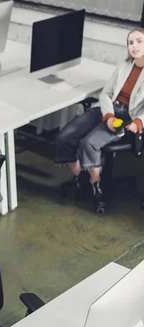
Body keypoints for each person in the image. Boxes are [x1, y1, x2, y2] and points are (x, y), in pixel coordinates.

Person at [55, 28, 144, 210]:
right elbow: (106, 93)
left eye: (139, 41)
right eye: (131, 42)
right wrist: (108, 115)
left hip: (128, 118)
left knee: (89, 143)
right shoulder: (123, 65)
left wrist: (139, 122)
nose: (134, 46)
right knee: (64, 137)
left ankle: (97, 189)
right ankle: (83, 178)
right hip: (107, 109)